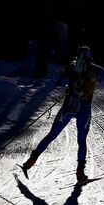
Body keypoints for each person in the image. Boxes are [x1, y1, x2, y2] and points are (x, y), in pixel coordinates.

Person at [22, 45, 97, 183]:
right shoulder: (94, 68)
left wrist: (69, 85)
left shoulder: (72, 67)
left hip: (68, 105)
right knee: (81, 141)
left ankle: (30, 162)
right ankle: (80, 173)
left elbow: (60, 82)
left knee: (51, 135)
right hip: (84, 107)